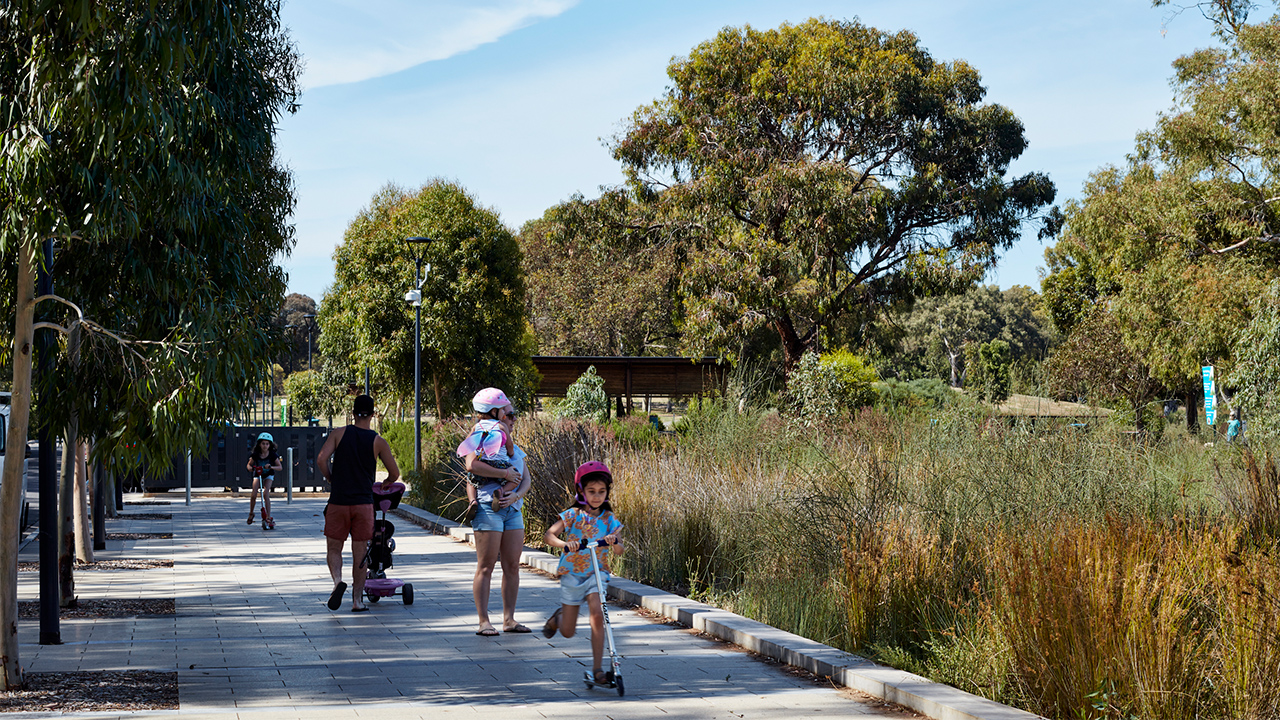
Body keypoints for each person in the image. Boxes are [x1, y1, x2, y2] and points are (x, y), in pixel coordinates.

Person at [541, 461, 624, 684]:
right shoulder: (573, 514)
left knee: (598, 614)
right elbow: (549, 535)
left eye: (601, 492)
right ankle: (559, 618)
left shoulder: (609, 519)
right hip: (573, 573)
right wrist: (564, 545)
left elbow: (620, 549)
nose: (597, 496)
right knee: (568, 631)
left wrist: (613, 540)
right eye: (591, 491)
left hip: (598, 573)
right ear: (581, 490)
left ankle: (598, 669)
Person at [316, 394, 400, 612]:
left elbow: (321, 459)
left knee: (334, 548)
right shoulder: (378, 441)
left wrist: (330, 478)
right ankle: (357, 601)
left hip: (338, 502)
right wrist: (386, 483)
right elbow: (394, 473)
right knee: (360, 553)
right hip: (363, 504)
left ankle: (337, 582)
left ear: (353, 413)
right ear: (373, 414)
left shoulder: (338, 434)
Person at [461, 387, 531, 636]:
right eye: (509, 413)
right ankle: (483, 621)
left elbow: (526, 479)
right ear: (496, 412)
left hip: (512, 509)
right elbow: (471, 467)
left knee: (512, 565)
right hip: (487, 508)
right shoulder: (480, 436)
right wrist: (503, 474)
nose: (512, 418)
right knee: (486, 566)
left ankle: (509, 619)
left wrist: (516, 494)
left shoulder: (510, 443)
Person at [456, 389, 518, 511]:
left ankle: (472, 501)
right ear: (494, 411)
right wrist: (511, 453)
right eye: (502, 410)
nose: (504, 413)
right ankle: (500, 492)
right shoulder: (501, 426)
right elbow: (509, 445)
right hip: (501, 465)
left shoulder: (476, 427)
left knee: (470, 481)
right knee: (516, 478)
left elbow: (468, 444)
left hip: (482, 465)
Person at [245, 432, 282, 529]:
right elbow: (249, 465)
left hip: (268, 474)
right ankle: (251, 513)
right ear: (259, 444)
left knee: (266, 493)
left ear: (270, 445)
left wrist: (271, 467)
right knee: (254, 494)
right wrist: (251, 468)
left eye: (267, 444)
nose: (265, 446)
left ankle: (268, 516)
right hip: (258, 474)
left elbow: (279, 467)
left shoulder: (272, 455)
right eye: (263, 443)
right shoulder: (256, 454)